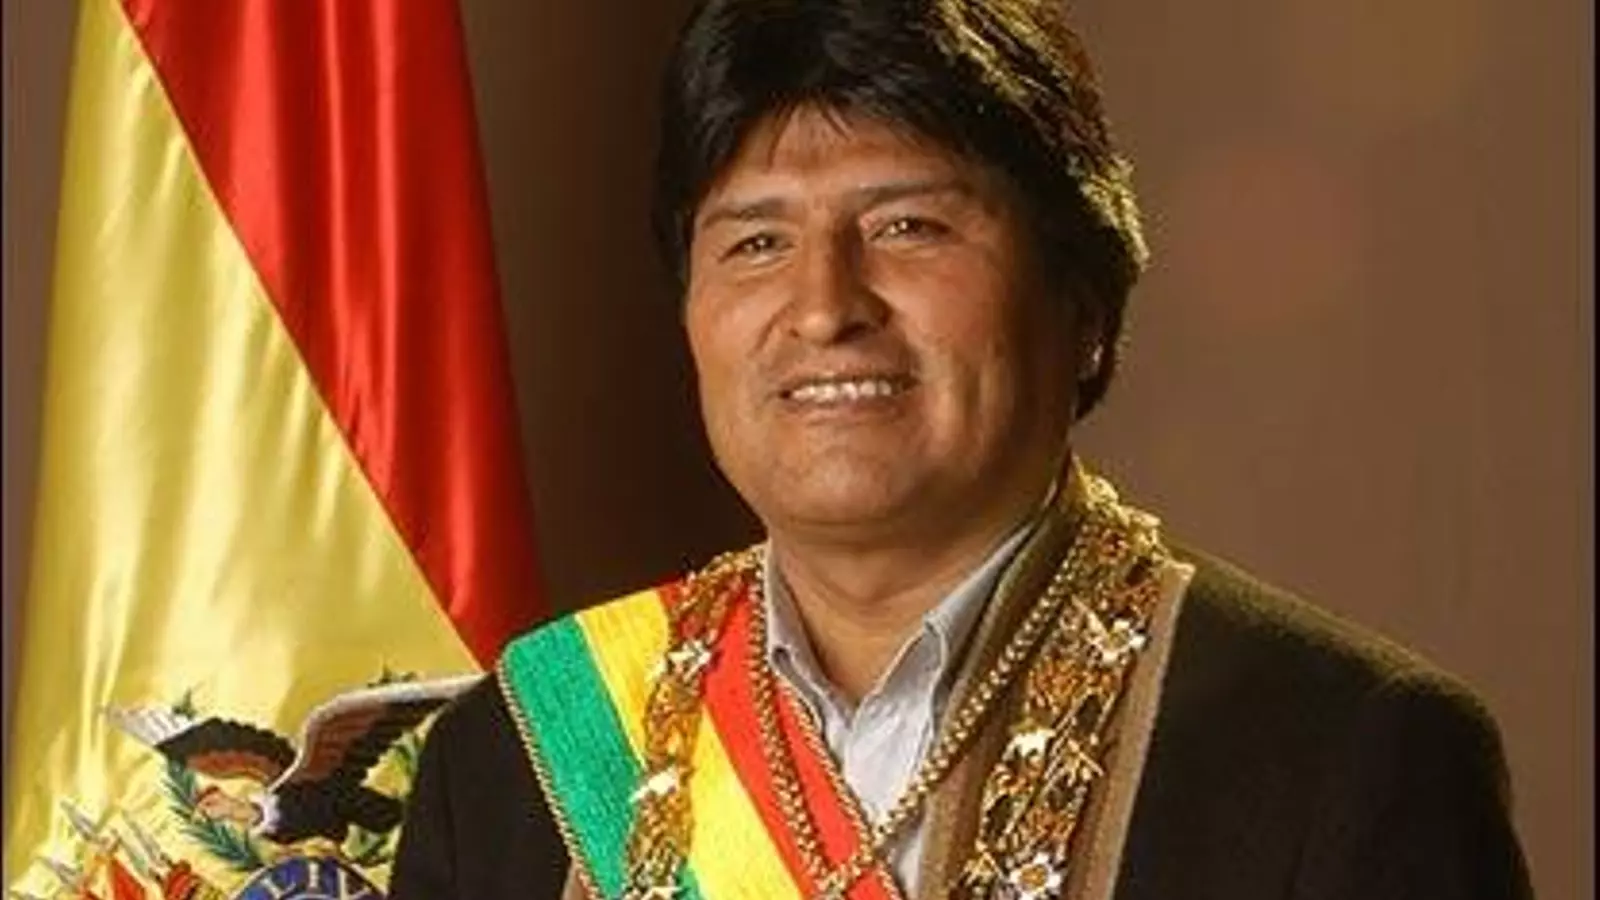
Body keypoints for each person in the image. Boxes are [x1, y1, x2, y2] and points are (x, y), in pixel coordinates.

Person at [389, 1, 1534, 897]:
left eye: (908, 227)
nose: (823, 307)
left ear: (1083, 305)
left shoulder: (1342, 754)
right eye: (755, 243)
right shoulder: (517, 757)